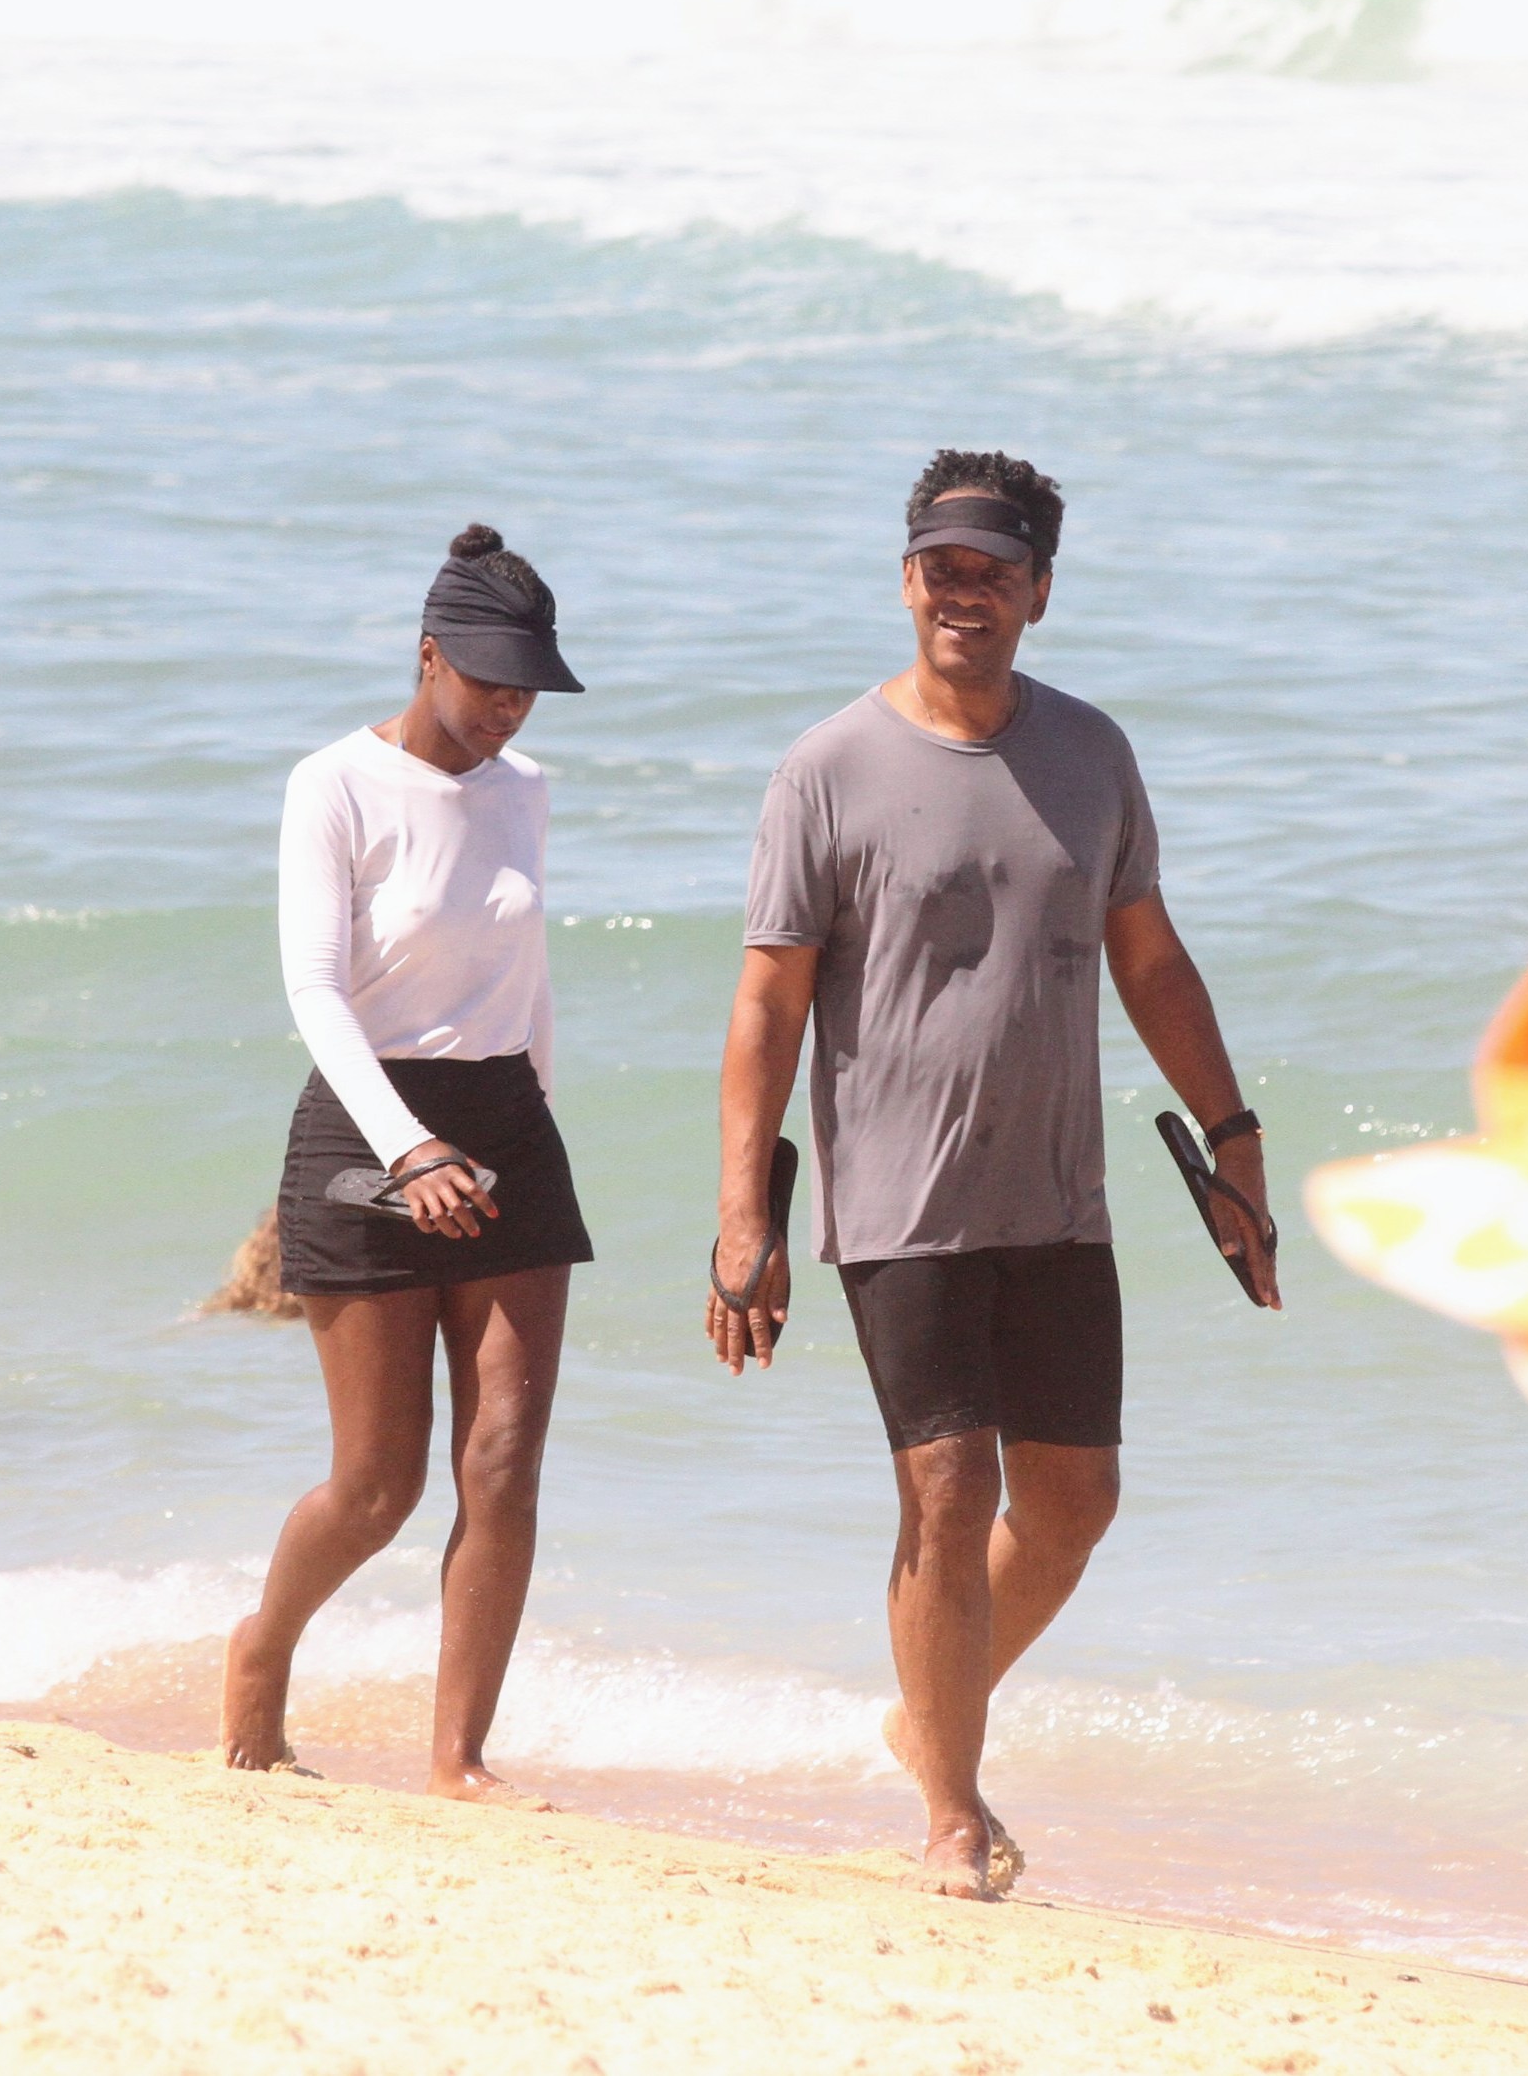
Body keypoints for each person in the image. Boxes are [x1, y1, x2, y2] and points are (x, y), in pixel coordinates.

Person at [710, 452, 1278, 1900]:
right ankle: (950, 1812)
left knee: (1075, 1502)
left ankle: (926, 1711)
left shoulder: (1090, 755)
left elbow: (1149, 960)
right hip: (895, 1200)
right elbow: (769, 1003)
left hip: (1057, 1195)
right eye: (940, 564)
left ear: (1038, 589)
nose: (964, 589)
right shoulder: (826, 767)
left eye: (994, 568)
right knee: (947, 1490)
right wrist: (742, 1218)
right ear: (906, 576)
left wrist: (1231, 1144)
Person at [222, 522, 592, 1805]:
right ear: (426, 653)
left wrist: (526, 1128)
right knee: (377, 1481)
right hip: (368, 1127)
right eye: (486, 676)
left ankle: (458, 1757)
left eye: (524, 684)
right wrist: (413, 1145)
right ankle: (262, 1652)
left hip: (504, 1128)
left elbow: (524, 975)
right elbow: (314, 988)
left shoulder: (526, 791)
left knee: (501, 1459)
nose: (506, 705)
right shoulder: (332, 783)